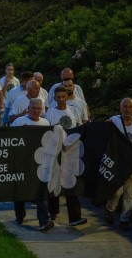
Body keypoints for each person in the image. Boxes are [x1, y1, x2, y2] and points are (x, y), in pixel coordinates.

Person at [105, 98, 132, 231]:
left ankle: (124, 220)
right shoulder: (114, 120)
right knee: (117, 192)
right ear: (120, 108)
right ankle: (109, 209)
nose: (128, 109)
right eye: (125, 106)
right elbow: (104, 131)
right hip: (118, 163)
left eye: (130, 106)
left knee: (129, 194)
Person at [45, 86, 87, 226]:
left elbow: (81, 129)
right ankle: (53, 213)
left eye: (63, 97)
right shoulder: (50, 113)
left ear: (67, 97)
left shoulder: (74, 111)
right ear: (55, 98)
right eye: (58, 97)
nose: (61, 100)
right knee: (54, 184)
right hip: (55, 154)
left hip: (71, 153)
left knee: (72, 184)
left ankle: (75, 217)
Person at [11, 98, 54, 232]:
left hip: (40, 163)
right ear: (28, 109)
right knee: (21, 191)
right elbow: (12, 140)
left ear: (41, 110)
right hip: (22, 162)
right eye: (33, 108)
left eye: (38, 109)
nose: (36, 111)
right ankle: (19, 215)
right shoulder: (19, 121)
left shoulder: (46, 122)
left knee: (41, 192)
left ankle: (43, 221)